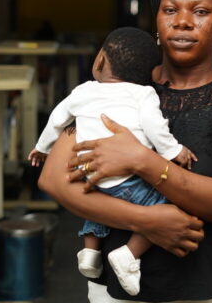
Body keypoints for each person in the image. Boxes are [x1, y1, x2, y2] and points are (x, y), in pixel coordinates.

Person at [38, 0, 212, 303]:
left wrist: (141, 160)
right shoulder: (118, 88)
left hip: (206, 291)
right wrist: (148, 220)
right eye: (170, 10)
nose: (182, 21)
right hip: (112, 292)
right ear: (157, 23)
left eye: (200, 11)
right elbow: (53, 179)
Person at [29, 27, 196, 296]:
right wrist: (173, 151)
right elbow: (155, 127)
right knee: (166, 204)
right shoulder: (144, 94)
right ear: (150, 74)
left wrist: (41, 148)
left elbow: (57, 119)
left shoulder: (83, 91)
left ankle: (90, 252)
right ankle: (129, 255)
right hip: (128, 178)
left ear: (99, 61)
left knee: (98, 204)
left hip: (88, 174)